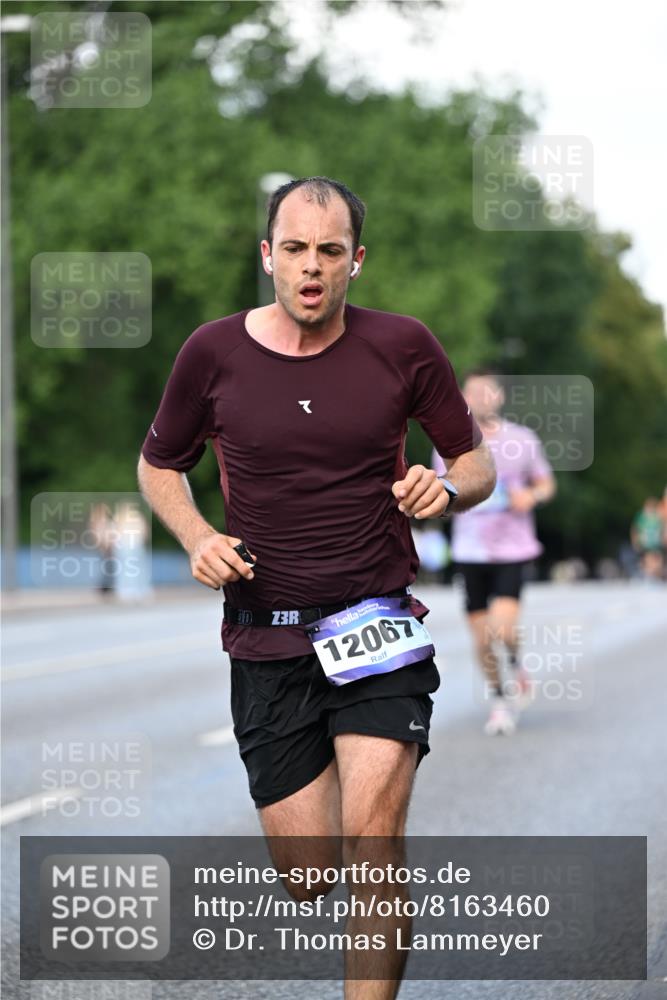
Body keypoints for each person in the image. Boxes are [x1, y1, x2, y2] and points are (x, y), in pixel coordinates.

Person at [138, 176, 495, 997]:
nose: (311, 268)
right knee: (307, 877)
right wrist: (197, 536)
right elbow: (160, 462)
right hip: (267, 635)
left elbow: (473, 461)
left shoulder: (403, 345)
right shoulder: (212, 353)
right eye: (293, 249)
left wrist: (446, 487)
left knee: (375, 838)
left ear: (355, 262)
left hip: (375, 622)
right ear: (267, 256)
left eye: (329, 252)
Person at [432, 369, 556, 736]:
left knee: (503, 628)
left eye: (488, 392)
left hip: (513, 549)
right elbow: (444, 491)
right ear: (464, 398)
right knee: (482, 637)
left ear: (499, 397)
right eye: (473, 392)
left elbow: (547, 483)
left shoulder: (523, 438)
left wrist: (530, 496)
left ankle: (517, 665)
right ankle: (501, 700)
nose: (481, 398)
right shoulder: (450, 443)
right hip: (469, 550)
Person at [630, 497, 665, 582]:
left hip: (656, 543)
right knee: (649, 561)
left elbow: (662, 529)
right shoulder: (642, 517)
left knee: (658, 562)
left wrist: (663, 538)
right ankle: (648, 577)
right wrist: (635, 541)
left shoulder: (658, 517)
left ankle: (654, 577)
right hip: (646, 543)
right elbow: (635, 529)